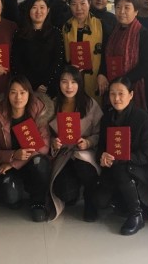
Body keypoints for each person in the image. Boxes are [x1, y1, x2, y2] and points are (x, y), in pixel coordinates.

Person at [94, 77, 148, 236]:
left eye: (121, 93)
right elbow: (101, 146)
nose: (116, 98)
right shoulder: (107, 117)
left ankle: (137, 214)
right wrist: (102, 156)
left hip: (137, 169)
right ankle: (120, 201)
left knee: (121, 168)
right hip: (113, 168)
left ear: (131, 95)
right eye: (112, 94)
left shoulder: (143, 119)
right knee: (100, 202)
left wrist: (124, 158)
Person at [0, 76, 53, 222]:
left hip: (29, 163)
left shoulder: (38, 112)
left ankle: (38, 202)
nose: (18, 97)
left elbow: (43, 147)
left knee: (40, 162)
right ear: (7, 94)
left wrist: (14, 162)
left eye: (23, 92)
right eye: (13, 92)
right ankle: (17, 192)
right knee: (11, 198)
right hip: (7, 166)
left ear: (29, 94)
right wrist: (13, 154)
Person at [49, 66, 102, 221]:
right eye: (64, 82)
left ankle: (90, 201)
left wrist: (88, 142)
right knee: (65, 193)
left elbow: (100, 133)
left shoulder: (90, 104)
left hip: (84, 153)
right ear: (59, 83)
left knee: (84, 167)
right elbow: (45, 135)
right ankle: (74, 190)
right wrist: (53, 143)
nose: (69, 86)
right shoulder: (53, 105)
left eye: (73, 82)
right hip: (64, 154)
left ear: (80, 83)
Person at [98, 0, 148, 111]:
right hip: (113, 86)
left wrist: (123, 82)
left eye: (127, 7)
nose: (121, 11)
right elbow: (105, 57)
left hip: (135, 87)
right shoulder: (112, 32)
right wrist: (102, 74)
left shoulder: (144, 34)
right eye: (118, 7)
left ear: (136, 11)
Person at [11, 0, 65, 98]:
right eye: (34, 7)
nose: (38, 11)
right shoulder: (19, 34)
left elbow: (58, 61)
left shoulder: (56, 33)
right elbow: (16, 62)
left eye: (42, 7)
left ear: (48, 10)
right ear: (28, 10)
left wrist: (45, 83)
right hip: (25, 88)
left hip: (49, 87)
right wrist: (32, 85)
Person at [62, 0, 108, 103]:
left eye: (83, 3)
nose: (79, 8)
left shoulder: (101, 25)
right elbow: (62, 54)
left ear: (89, 3)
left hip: (96, 76)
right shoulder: (65, 27)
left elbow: (107, 52)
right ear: (69, 6)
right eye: (74, 4)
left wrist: (103, 73)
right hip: (72, 77)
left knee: (93, 106)